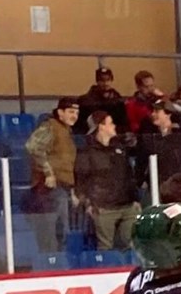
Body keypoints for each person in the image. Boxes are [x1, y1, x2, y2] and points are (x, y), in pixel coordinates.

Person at [75, 112, 140, 251]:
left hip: (127, 204)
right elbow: (82, 179)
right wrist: (89, 202)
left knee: (130, 244)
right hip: (103, 207)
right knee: (105, 246)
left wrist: (135, 199)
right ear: (101, 127)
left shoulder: (120, 148)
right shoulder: (87, 152)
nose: (114, 126)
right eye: (110, 123)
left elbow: (129, 174)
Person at [24, 97, 79, 255]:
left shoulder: (66, 132)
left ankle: (57, 262)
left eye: (76, 112)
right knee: (52, 232)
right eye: (70, 112)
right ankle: (51, 264)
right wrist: (48, 173)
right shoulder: (50, 127)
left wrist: (72, 190)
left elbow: (67, 164)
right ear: (60, 112)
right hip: (50, 189)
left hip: (63, 188)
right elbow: (33, 147)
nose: (74, 115)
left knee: (61, 232)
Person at [140, 102, 181, 187]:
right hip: (157, 185)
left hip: (180, 185)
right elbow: (142, 161)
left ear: (168, 114)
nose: (153, 114)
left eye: (157, 111)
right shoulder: (149, 136)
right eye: (153, 111)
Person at [77, 67, 126, 132]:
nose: (106, 83)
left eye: (108, 80)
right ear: (97, 81)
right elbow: (80, 124)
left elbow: (123, 123)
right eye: (102, 80)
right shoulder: (85, 101)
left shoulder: (118, 101)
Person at [125, 70, 165, 135]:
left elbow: (165, 113)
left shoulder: (154, 99)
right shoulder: (132, 103)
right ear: (138, 87)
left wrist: (161, 97)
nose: (150, 89)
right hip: (142, 134)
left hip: (157, 132)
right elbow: (152, 118)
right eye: (146, 87)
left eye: (152, 86)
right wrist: (159, 99)